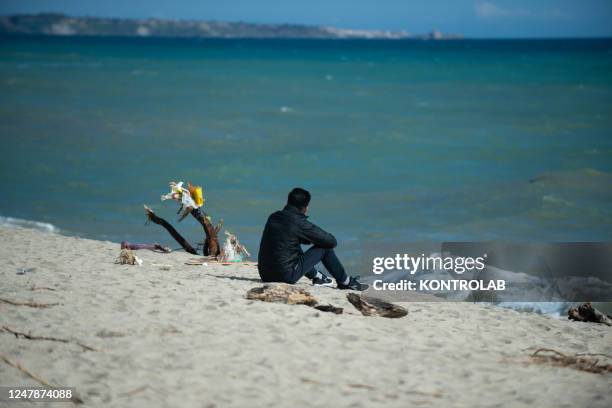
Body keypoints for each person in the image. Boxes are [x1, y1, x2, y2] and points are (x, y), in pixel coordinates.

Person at [257, 187, 366, 290]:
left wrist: (305, 238)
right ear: (305, 207)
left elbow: (286, 238)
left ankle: (318, 277)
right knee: (325, 248)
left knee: (292, 244)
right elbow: (331, 242)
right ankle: (345, 282)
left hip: (265, 274)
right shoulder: (299, 223)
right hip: (285, 276)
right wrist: (312, 239)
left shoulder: (273, 217)